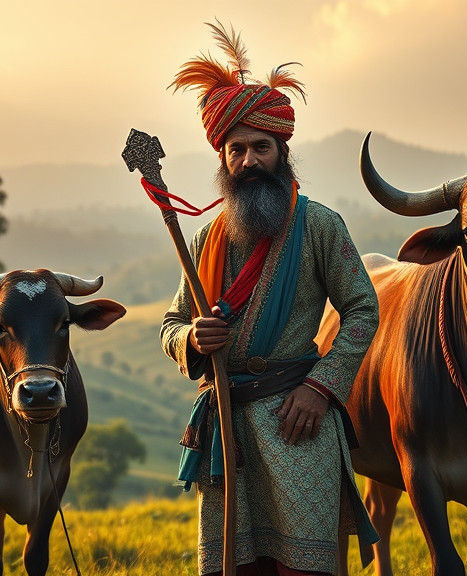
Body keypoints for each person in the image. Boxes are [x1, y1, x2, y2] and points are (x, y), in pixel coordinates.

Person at [160, 22, 379, 576]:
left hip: (295, 421)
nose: (250, 160)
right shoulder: (208, 238)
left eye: (262, 147)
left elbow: (362, 309)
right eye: (237, 150)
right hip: (227, 429)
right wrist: (191, 338)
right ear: (223, 158)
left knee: (305, 567)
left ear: (283, 152)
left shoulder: (321, 226)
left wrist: (320, 388)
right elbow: (171, 322)